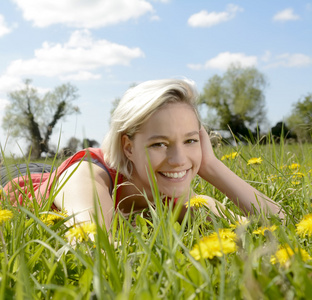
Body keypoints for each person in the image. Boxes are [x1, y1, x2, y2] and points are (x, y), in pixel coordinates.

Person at [0, 79, 283, 230]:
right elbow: (96, 248)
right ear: (128, 147)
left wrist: (209, 164)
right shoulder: (85, 177)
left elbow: (279, 224)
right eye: (159, 143)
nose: (178, 159)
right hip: (23, 179)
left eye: (190, 140)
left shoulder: (178, 196)